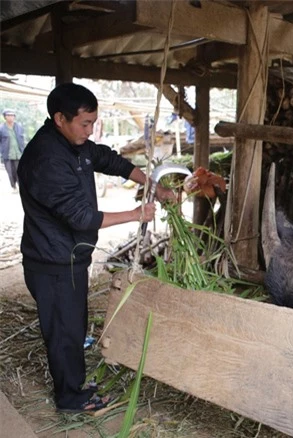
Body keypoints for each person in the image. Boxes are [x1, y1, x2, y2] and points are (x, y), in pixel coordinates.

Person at [17, 83, 176, 414]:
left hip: (70, 258)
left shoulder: (77, 145)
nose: (90, 131)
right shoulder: (47, 159)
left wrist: (151, 184)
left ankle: (74, 383)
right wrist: (136, 214)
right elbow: (81, 217)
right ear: (60, 118)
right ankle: (70, 399)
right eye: (85, 124)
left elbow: (108, 159)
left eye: (93, 123)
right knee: (64, 332)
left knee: (72, 325)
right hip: (53, 262)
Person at [0, 108, 26, 192]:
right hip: (7, 154)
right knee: (10, 172)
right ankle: (13, 186)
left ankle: (20, 186)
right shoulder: (1, 128)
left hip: (18, 153)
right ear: (5, 117)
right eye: (8, 115)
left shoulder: (19, 127)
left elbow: (22, 140)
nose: (10, 117)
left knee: (19, 171)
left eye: (12, 115)